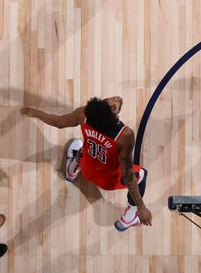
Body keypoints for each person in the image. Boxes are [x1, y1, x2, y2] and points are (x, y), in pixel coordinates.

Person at [21, 96, 153, 230]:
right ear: (114, 111)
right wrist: (141, 206)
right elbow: (128, 175)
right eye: (113, 102)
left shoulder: (83, 115)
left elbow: (58, 122)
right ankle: (129, 217)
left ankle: (71, 170)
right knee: (141, 175)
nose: (114, 98)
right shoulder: (124, 135)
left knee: (84, 149)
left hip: (87, 167)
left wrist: (36, 113)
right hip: (107, 181)